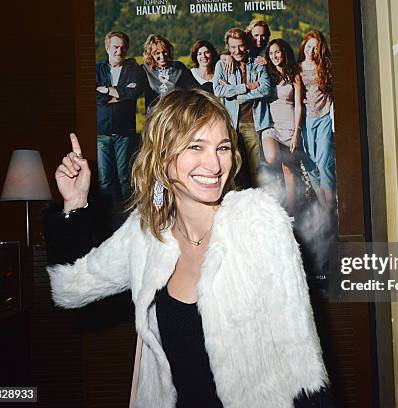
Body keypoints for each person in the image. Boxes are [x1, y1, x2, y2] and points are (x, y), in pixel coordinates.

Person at [44, 89, 330, 407]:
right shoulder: (147, 232)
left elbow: (302, 363)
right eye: (196, 146)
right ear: (163, 156)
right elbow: (69, 288)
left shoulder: (256, 223)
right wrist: (74, 203)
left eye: (222, 147)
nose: (214, 164)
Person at [213, 28, 273, 187]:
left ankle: (258, 204)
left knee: (256, 168)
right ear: (228, 46)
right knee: (234, 168)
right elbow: (218, 90)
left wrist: (237, 96)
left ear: (246, 45)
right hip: (230, 123)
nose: (237, 51)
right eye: (232, 47)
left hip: (252, 122)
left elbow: (266, 88)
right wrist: (245, 87)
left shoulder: (257, 63)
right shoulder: (222, 65)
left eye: (240, 46)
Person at [96, 31, 144, 211]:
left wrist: (105, 89)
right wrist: (118, 93)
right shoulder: (96, 69)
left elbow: (132, 94)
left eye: (123, 47)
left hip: (124, 132)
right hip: (102, 132)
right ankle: (108, 218)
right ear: (107, 47)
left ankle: (127, 217)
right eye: (116, 47)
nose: (119, 51)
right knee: (105, 180)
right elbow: (93, 96)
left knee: (125, 178)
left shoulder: (133, 70)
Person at [263, 39, 303, 215]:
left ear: (284, 52)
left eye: (277, 52)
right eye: (271, 53)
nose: (274, 56)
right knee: (271, 158)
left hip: (290, 127)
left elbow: (299, 105)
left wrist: (296, 134)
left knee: (289, 170)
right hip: (272, 126)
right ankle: (276, 197)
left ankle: (292, 211)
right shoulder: (268, 74)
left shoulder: (294, 75)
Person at [298, 31, 336, 208]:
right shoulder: (297, 69)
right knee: (310, 162)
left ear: (320, 49)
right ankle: (324, 207)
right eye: (308, 46)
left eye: (314, 47)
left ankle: (332, 207)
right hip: (306, 119)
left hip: (324, 116)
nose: (310, 51)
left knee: (323, 163)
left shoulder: (326, 66)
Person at [142, 34, 198, 113]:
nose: (162, 56)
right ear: (151, 54)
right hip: (154, 117)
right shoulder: (145, 70)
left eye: (164, 52)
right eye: (157, 53)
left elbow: (194, 89)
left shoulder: (178, 67)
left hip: (175, 116)